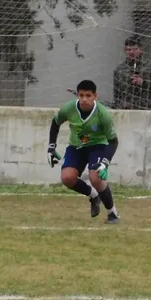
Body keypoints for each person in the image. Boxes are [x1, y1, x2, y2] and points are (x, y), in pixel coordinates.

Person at [47, 79, 121, 224]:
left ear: (95, 96)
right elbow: (55, 123)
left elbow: (113, 141)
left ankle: (113, 213)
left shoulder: (102, 114)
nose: (84, 99)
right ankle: (94, 196)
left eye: (88, 95)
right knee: (67, 178)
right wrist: (51, 147)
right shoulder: (69, 108)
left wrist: (105, 162)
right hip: (76, 147)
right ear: (78, 96)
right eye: (81, 95)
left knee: (96, 179)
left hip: (98, 146)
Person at [112, 36, 151, 110]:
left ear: (141, 49)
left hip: (144, 109)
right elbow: (117, 94)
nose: (131, 52)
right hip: (125, 109)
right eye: (129, 50)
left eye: (135, 49)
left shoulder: (150, 67)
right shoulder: (119, 70)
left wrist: (143, 82)